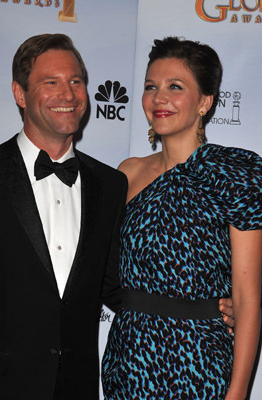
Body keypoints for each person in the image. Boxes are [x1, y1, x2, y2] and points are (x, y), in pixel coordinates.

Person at [0, 33, 128, 400]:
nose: (68, 94)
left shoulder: (111, 184)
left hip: (76, 386)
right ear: (20, 93)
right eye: (50, 82)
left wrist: (199, 305)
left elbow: (116, 286)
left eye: (76, 81)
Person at [102, 37, 262, 399]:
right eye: (150, 87)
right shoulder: (126, 174)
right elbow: (102, 270)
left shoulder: (237, 172)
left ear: (205, 102)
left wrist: (237, 393)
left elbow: (247, 296)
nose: (159, 98)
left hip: (200, 360)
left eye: (175, 87)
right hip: (128, 359)